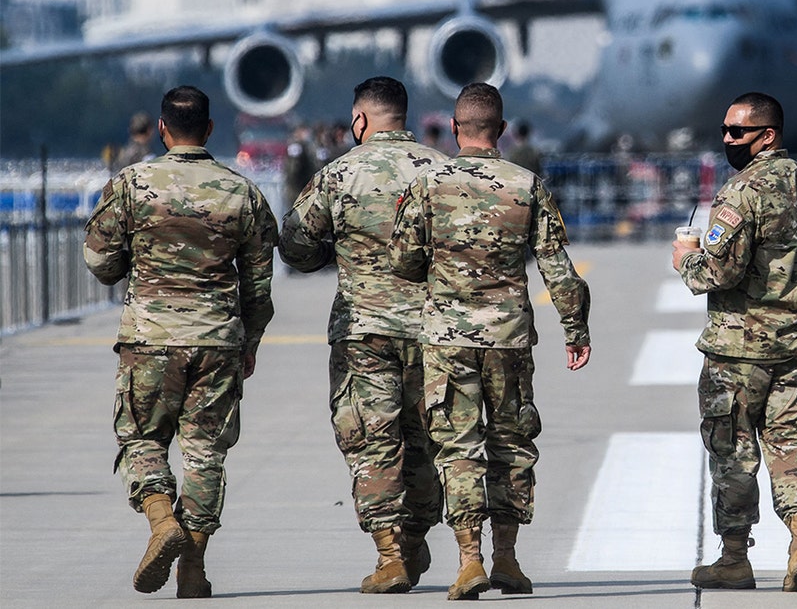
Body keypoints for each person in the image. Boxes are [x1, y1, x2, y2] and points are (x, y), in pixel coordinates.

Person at [390, 82, 591, 601]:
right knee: (510, 445)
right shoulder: (526, 185)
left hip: (447, 338)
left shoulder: (427, 184)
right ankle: (507, 558)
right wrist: (575, 329)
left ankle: (469, 561)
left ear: (455, 129)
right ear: (501, 130)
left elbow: (402, 261)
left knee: (457, 448)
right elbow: (558, 270)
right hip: (508, 337)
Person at [83, 85, 277, 598]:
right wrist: (249, 340)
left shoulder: (132, 184)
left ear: (163, 129)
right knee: (205, 453)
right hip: (217, 341)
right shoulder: (242, 193)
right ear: (210, 129)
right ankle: (193, 570)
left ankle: (160, 518)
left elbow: (100, 264)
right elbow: (259, 285)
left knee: (142, 440)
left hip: (149, 337)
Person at [671, 92, 797, 593]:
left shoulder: (739, 192)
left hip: (738, 352)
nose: (727, 139)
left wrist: (684, 258)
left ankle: (733, 558)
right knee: (796, 448)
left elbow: (720, 271)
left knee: (733, 453)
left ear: (767, 135)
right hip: (796, 346)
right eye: (725, 130)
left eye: (737, 132)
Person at [278, 76, 447, 594]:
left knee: (372, 441)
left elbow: (295, 246)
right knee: (426, 439)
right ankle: (415, 537)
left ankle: (391, 554)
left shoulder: (338, 174)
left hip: (363, 331)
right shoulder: (443, 171)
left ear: (360, 121)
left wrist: (334, 254)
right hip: (433, 331)